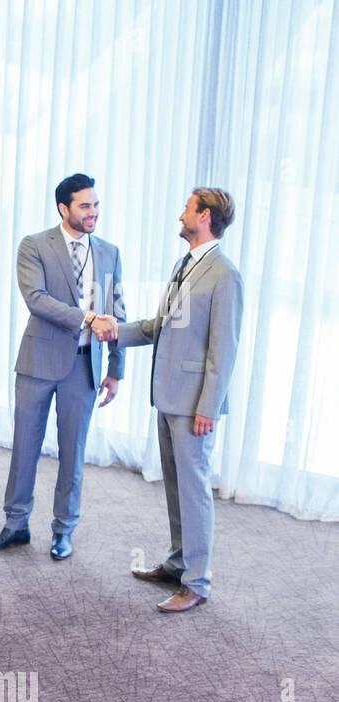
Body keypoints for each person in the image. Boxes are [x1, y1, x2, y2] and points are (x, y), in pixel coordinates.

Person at [92, 188, 243, 612]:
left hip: (194, 403)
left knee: (194, 491)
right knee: (177, 486)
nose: (180, 215)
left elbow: (224, 348)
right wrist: (116, 330)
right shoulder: (185, 264)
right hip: (168, 396)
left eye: (187, 209)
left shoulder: (225, 274)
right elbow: (162, 325)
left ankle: (197, 582)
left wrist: (208, 408)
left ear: (205, 216)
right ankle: (179, 564)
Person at [0, 173, 127, 560]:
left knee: (72, 454)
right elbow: (37, 299)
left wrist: (116, 368)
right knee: (24, 447)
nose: (93, 212)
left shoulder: (109, 252)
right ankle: (15, 524)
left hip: (84, 368)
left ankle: (64, 530)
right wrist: (88, 319)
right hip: (38, 362)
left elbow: (117, 311)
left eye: (96, 204)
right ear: (64, 208)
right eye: (85, 206)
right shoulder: (34, 245)